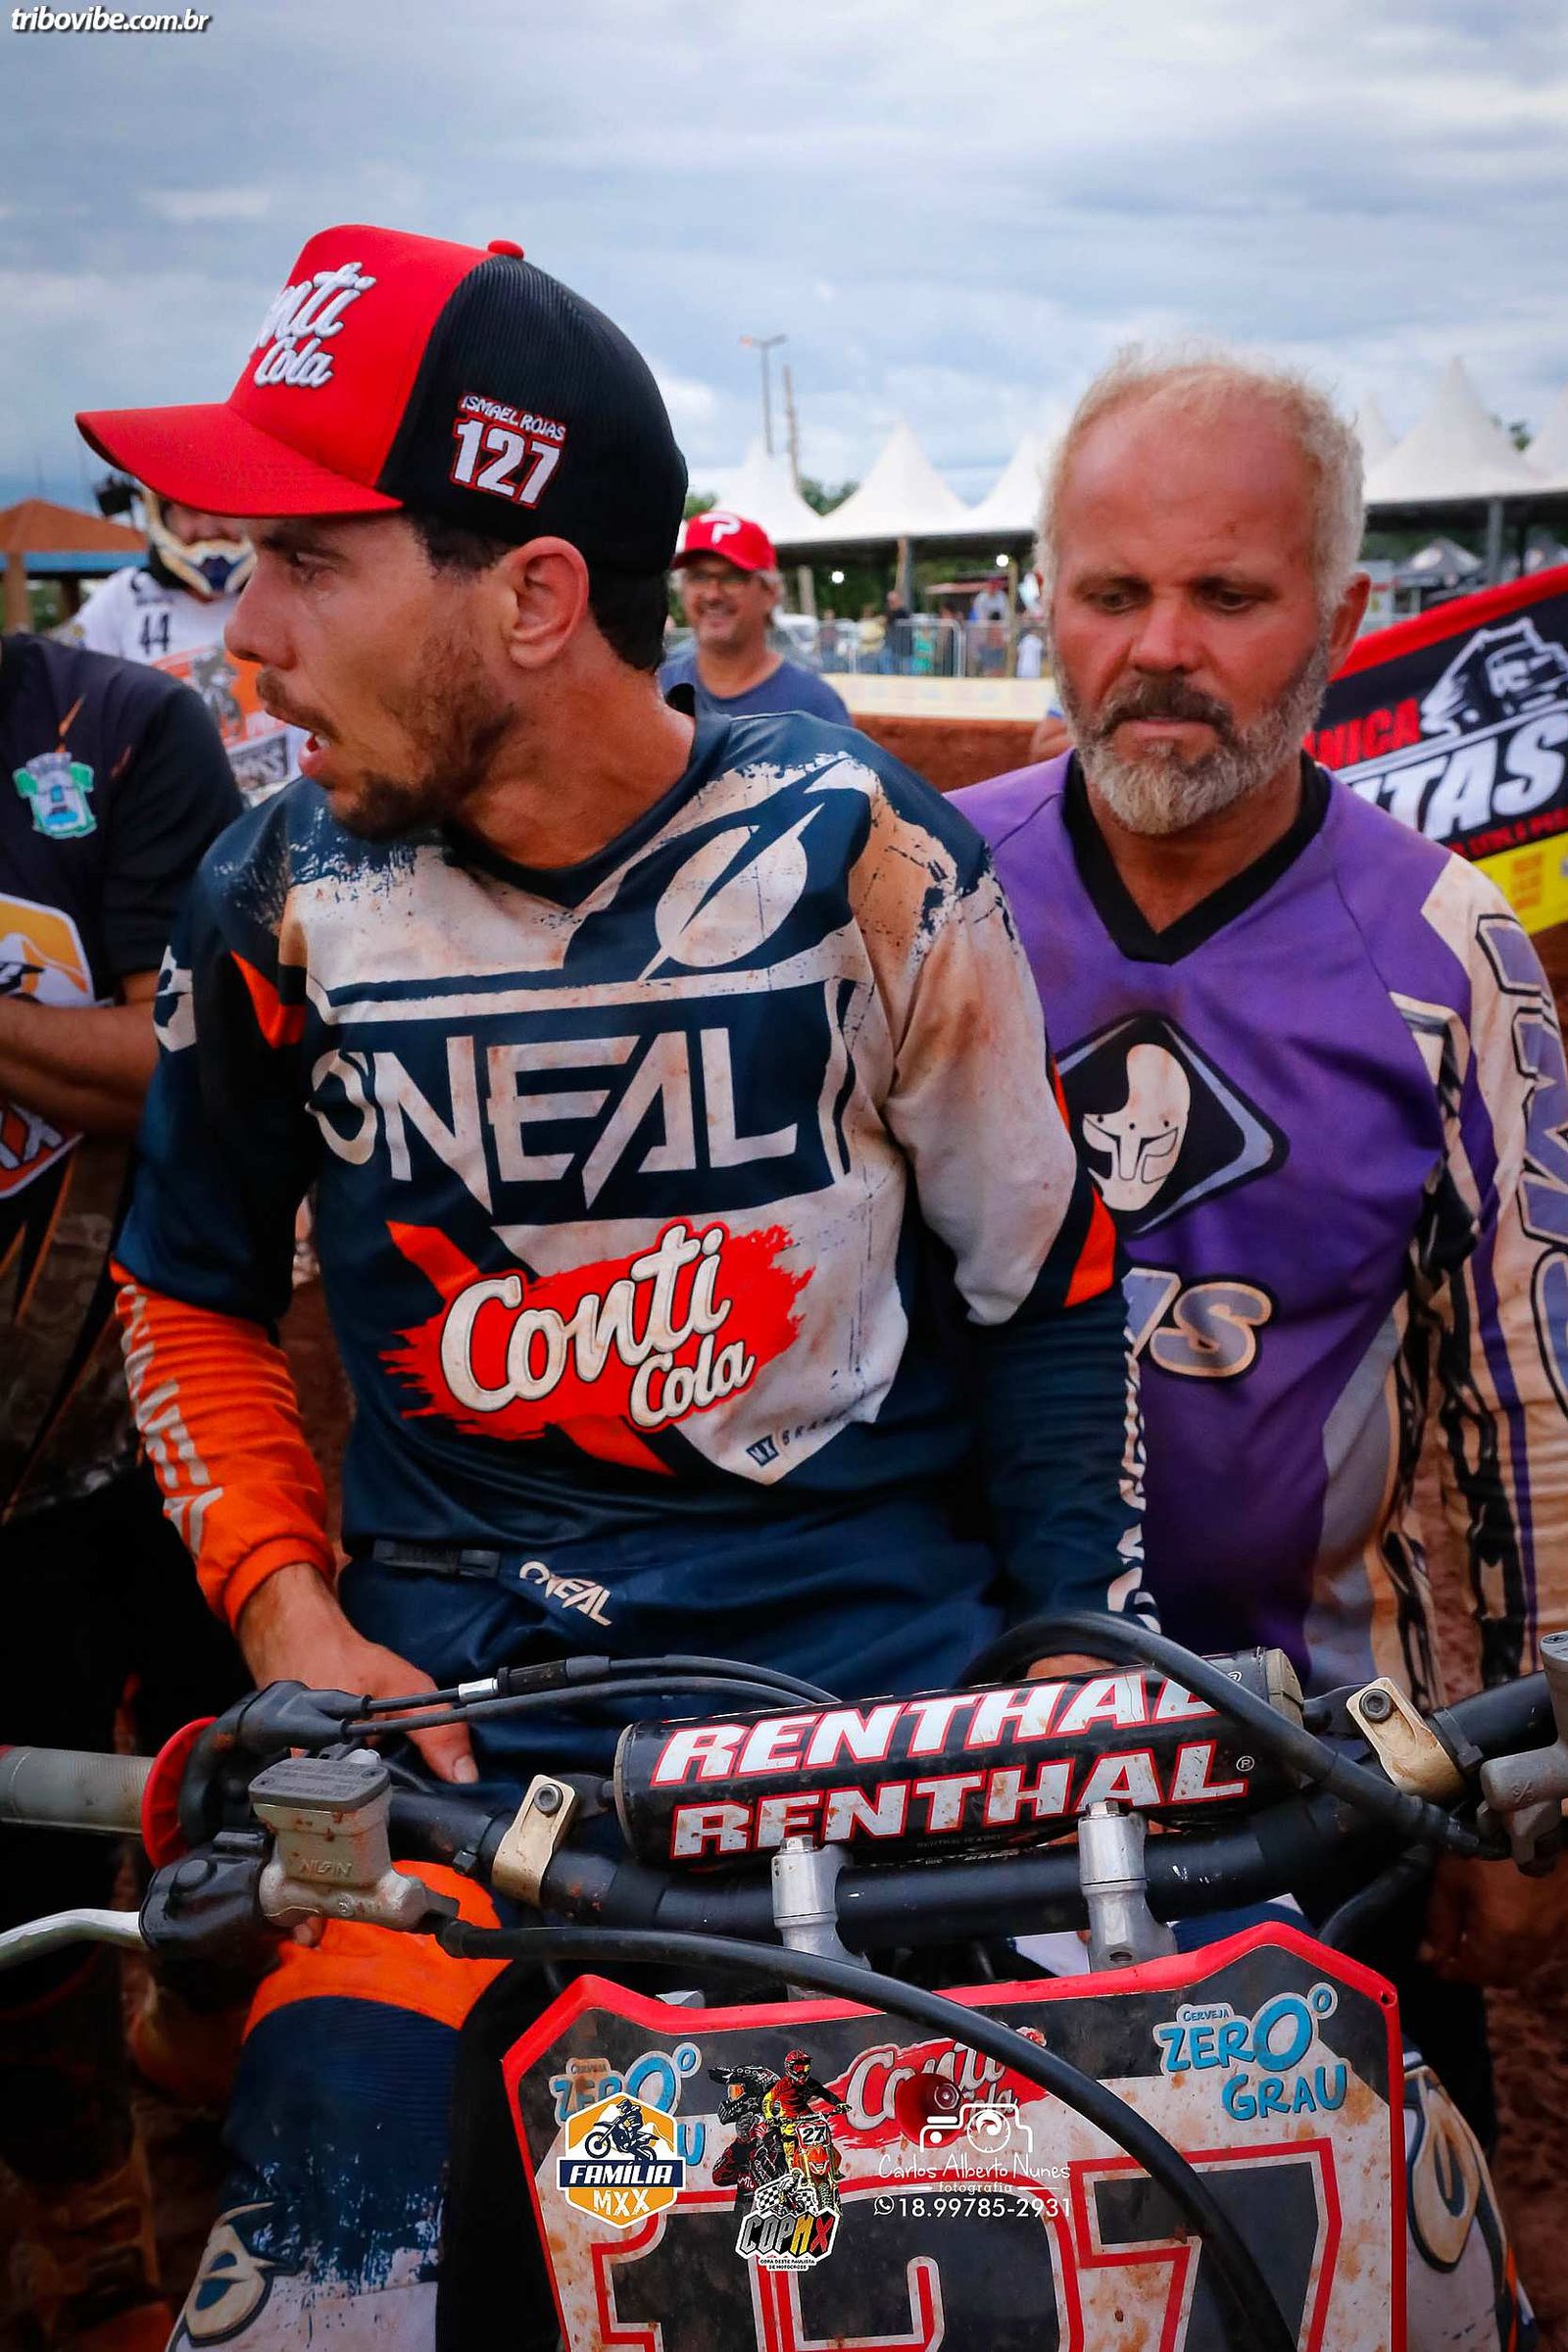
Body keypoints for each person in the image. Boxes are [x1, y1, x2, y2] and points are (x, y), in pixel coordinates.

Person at [75, 220, 1147, 2345]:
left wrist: (1063, 1687)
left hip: (872, 1727)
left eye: (305, 561)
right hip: (450, 1755)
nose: (244, 636)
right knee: (340, 2266)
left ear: (535, 596)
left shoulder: (865, 862)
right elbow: (186, 1287)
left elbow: (1043, 1289)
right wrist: (291, 1619)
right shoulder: (276, 891)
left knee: (1002, 2245)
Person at [956, 347, 1563, 2351]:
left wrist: (1524, 1800)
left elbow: (1525, 1405)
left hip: (1324, 1790)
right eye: (1110, 593)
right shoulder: (913, 890)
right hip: (939, 1773)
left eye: (1226, 595)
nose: (1160, 651)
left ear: (1342, 616)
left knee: (1366, 2288)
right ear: (1041, 601)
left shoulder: (1445, 949)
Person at [0, 627, 243, 2350]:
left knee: (225, 1792)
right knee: (20, 1861)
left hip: (138, 1389)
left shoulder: (123, 727)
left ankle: (214, 2107)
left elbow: (181, 1063)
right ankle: (90, 2236)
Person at [65, 491, 306, 806]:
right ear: (162, 515)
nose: (208, 528)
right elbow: (77, 719)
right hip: (178, 815)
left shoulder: (292, 589)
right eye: (190, 511)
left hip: (289, 807)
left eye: (221, 507)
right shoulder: (119, 604)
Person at [660, 509, 851, 722]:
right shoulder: (656, 690)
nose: (713, 595)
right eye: (699, 577)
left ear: (770, 593)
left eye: (732, 578)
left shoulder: (814, 705)